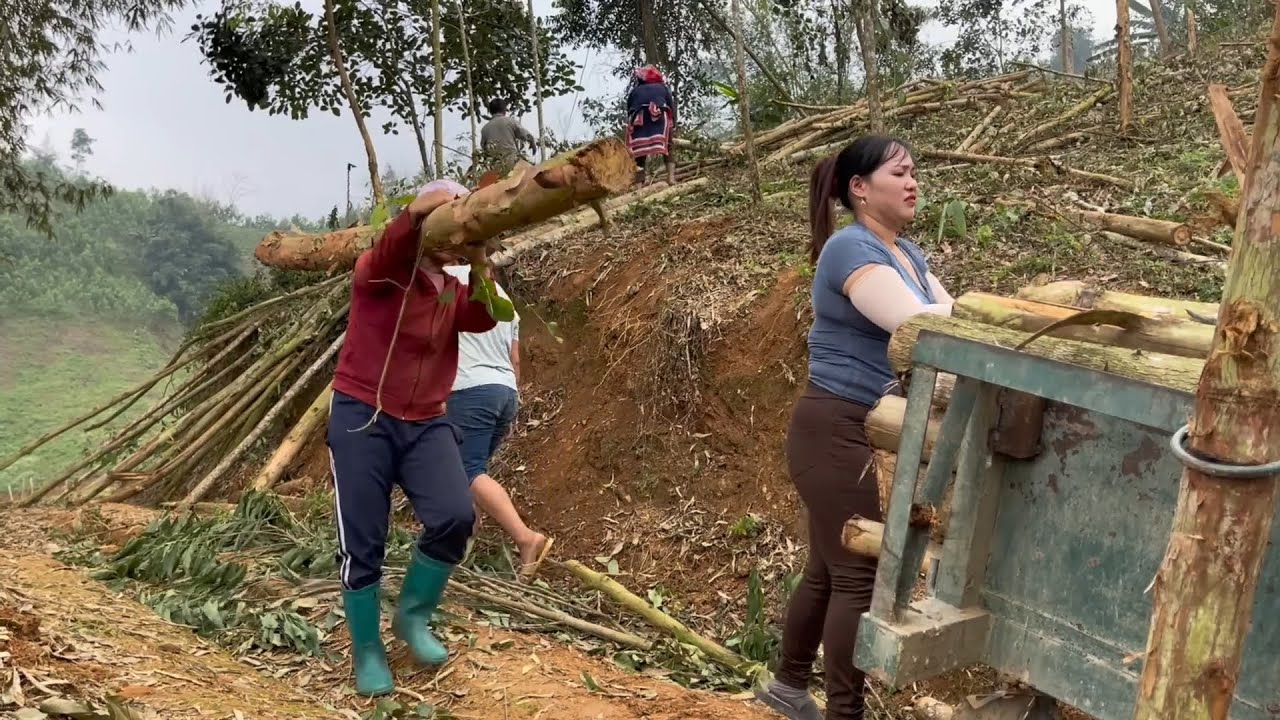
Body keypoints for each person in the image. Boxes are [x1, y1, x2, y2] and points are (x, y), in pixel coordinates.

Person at [754, 136, 954, 720]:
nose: (913, 183)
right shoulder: (849, 248)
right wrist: (989, 311)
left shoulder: (906, 253)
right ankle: (844, 712)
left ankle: (787, 689)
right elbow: (917, 325)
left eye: (915, 171)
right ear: (860, 189)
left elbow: (955, 314)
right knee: (857, 574)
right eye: (900, 173)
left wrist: (986, 314)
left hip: (865, 431)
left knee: (827, 569)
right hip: (837, 429)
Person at [327, 178, 496, 698]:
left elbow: (486, 316)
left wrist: (481, 260)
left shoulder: (450, 287)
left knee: (455, 515)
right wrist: (417, 212)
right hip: (363, 415)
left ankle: (413, 617)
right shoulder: (381, 272)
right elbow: (388, 250)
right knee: (364, 539)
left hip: (425, 420)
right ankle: (367, 649)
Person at [442, 261, 553, 578]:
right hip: (504, 392)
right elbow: (515, 360)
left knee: (467, 470)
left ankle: (526, 538)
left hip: (469, 390)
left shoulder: (449, 280)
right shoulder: (505, 302)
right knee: (470, 471)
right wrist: (510, 403)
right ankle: (461, 544)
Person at [624, 65, 677, 185]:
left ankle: (638, 185)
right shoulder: (663, 88)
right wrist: (673, 125)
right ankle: (671, 178)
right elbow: (670, 107)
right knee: (668, 147)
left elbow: (629, 110)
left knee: (638, 154)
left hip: (639, 122)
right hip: (659, 120)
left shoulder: (635, 91)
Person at [480, 98, 537, 177]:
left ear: (490, 111)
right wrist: (532, 142)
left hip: (495, 166)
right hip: (511, 162)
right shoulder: (510, 121)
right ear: (504, 110)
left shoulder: (485, 129)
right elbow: (525, 134)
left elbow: (484, 149)